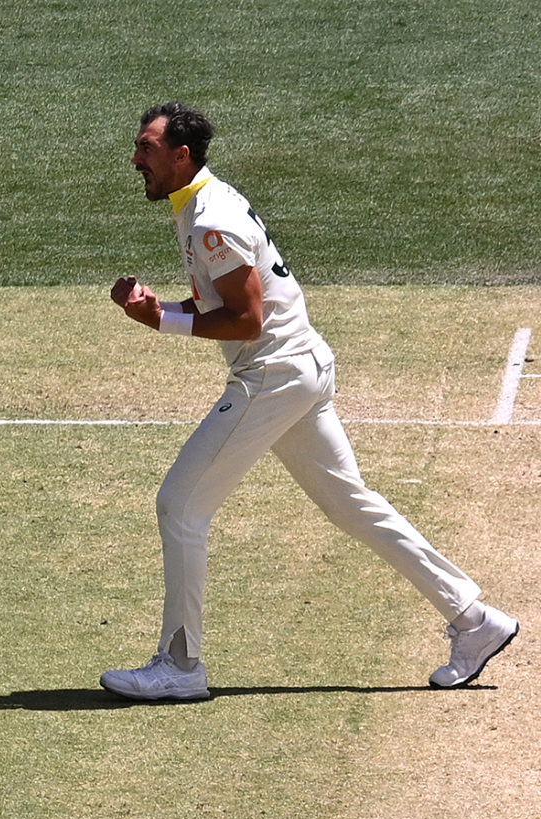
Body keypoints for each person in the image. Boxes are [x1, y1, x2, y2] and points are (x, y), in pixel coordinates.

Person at [99, 102, 519, 701]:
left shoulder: (208, 220)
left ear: (180, 155)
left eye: (146, 147)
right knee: (352, 505)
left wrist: (160, 322)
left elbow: (246, 321)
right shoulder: (201, 204)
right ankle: (476, 621)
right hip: (301, 367)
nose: (136, 158)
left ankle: (181, 666)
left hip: (273, 375)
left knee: (179, 506)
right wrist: (157, 312)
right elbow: (232, 305)